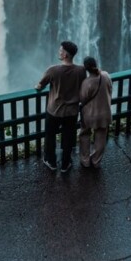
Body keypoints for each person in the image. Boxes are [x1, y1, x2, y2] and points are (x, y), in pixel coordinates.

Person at [35, 41, 86, 172]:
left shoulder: (53, 70)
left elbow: (40, 85)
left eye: (61, 51)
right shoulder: (81, 70)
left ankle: (50, 162)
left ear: (66, 55)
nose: (59, 52)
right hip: (72, 111)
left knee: (50, 136)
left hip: (54, 110)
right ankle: (65, 163)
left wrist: (38, 87)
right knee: (68, 137)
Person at [78, 56, 112, 168]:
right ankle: (96, 160)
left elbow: (82, 99)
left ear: (86, 68)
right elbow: (110, 89)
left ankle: (85, 160)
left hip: (89, 115)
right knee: (101, 136)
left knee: (84, 134)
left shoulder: (86, 83)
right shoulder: (106, 76)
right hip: (105, 113)